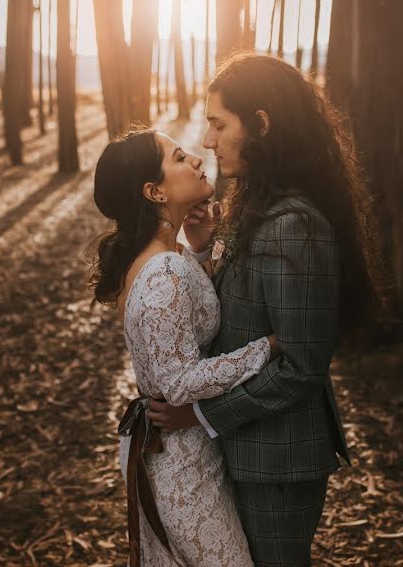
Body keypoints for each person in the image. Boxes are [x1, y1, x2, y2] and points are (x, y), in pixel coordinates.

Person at [146, 53, 379, 566]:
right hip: (248, 448)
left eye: (218, 123)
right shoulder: (259, 205)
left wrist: (199, 414)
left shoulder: (293, 224)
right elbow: (238, 313)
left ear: (261, 125)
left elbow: (302, 366)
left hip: (279, 460)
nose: (207, 141)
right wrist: (206, 249)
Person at [89, 129, 282, 566]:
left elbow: (178, 325)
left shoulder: (163, 258)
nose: (197, 158)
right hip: (179, 463)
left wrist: (200, 249)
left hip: (168, 448)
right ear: (154, 191)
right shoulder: (163, 271)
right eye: (179, 157)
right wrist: (266, 348)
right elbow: (177, 382)